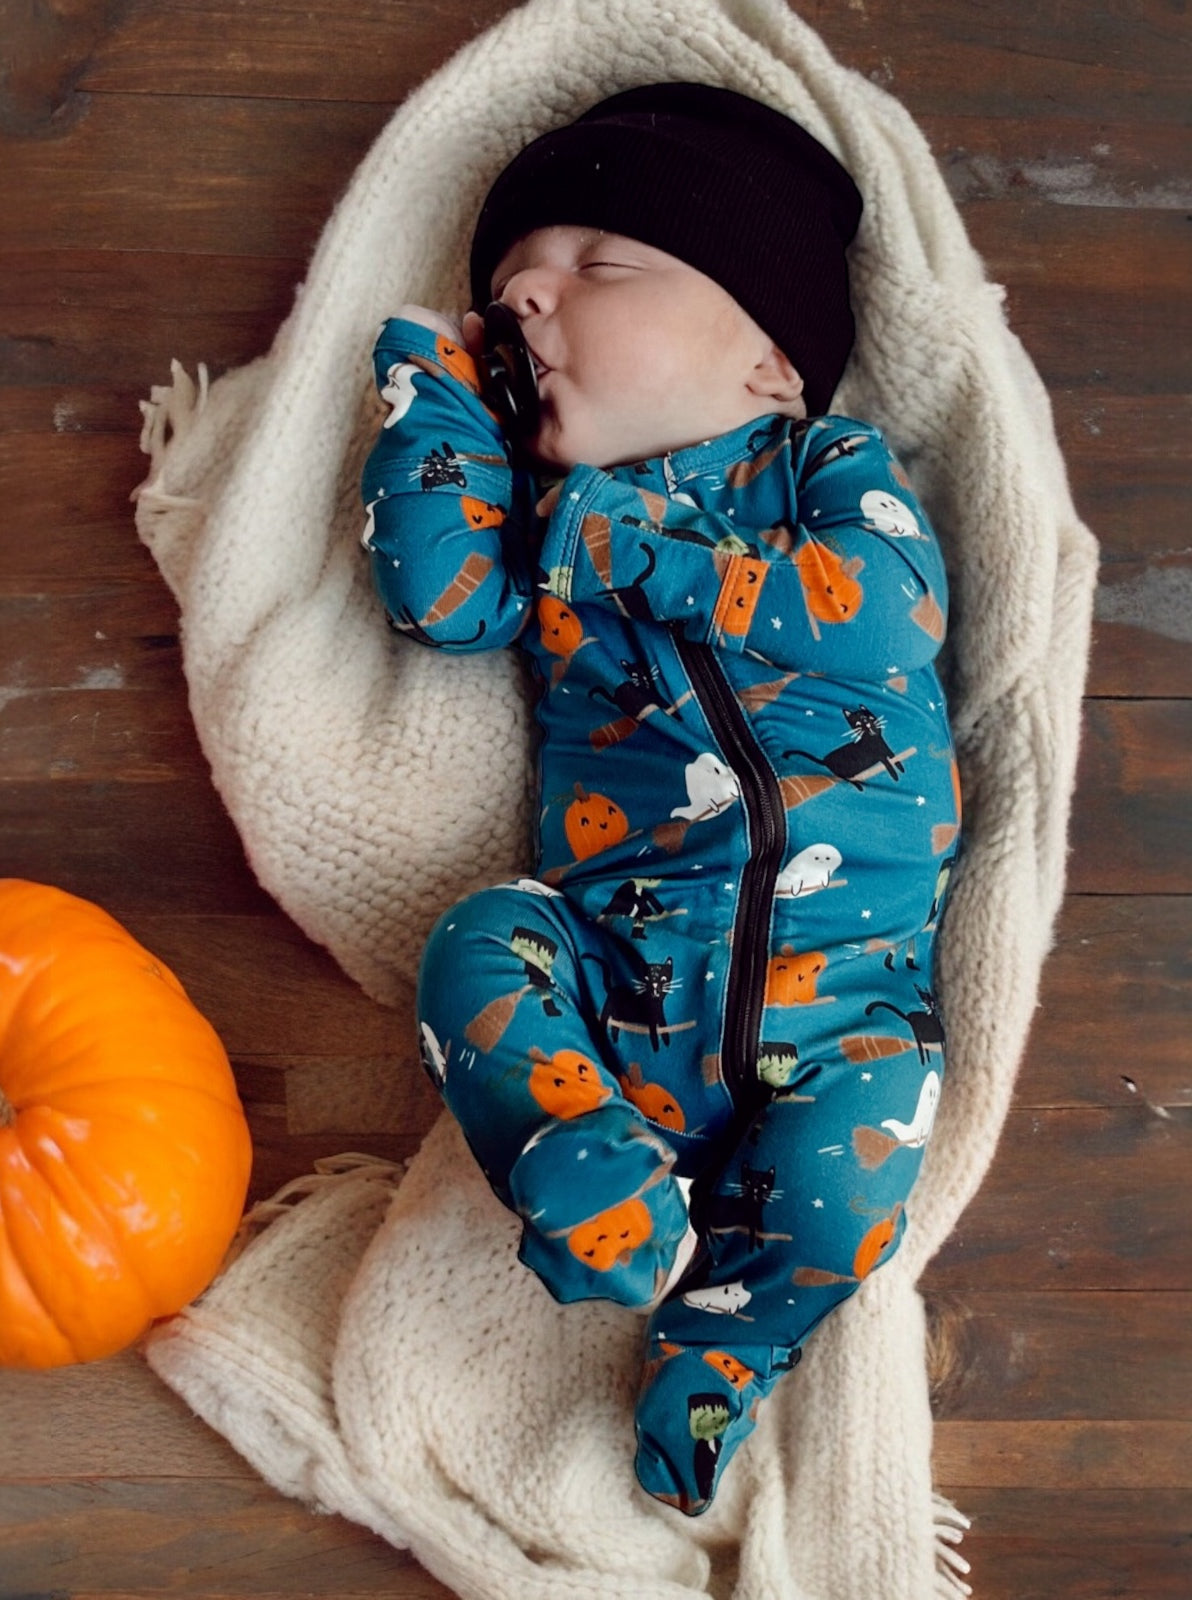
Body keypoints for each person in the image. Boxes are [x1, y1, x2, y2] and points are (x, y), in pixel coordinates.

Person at [360, 82, 961, 1515]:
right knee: (480, 943)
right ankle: (580, 1156)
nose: (526, 293)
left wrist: (650, 551)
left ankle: (730, 1343)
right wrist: (434, 388)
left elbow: (892, 618)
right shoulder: (540, 529)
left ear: (768, 358)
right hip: (616, 968)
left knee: (852, 1180)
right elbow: (439, 599)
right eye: (512, 291)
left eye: (599, 265)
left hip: (847, 1012)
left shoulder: (824, 468)